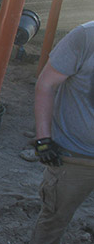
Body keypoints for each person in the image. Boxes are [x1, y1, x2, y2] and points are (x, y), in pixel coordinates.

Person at [30, 21, 94, 244]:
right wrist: (43, 139)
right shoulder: (85, 37)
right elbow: (46, 84)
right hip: (76, 156)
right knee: (54, 220)